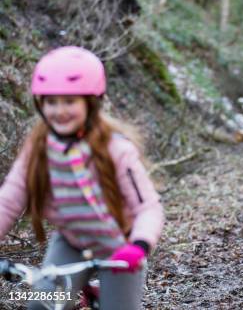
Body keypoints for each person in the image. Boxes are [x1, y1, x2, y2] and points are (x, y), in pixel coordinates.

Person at [0, 46, 164, 310]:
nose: (59, 111)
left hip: (119, 248)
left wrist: (139, 246)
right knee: (41, 305)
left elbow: (148, 207)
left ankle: (103, 295)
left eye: (69, 101)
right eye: (51, 102)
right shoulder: (38, 148)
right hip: (71, 241)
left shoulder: (116, 149)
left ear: (90, 102)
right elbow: (8, 201)